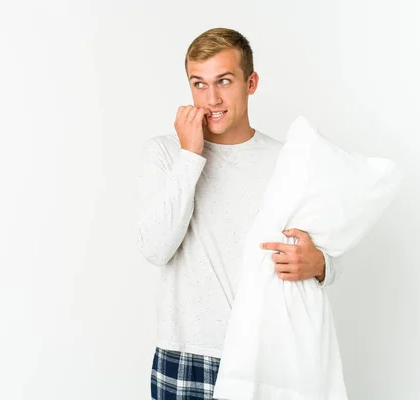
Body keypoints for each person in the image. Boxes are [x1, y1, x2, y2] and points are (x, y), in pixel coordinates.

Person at [135, 27, 338, 400]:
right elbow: (155, 248)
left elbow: (323, 255)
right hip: (188, 353)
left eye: (224, 81)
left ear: (251, 82)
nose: (211, 98)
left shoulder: (288, 161)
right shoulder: (166, 154)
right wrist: (190, 156)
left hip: (270, 353)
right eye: (199, 84)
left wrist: (321, 264)